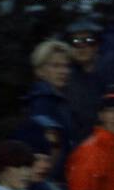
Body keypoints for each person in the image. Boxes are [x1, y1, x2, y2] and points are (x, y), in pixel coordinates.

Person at [24, 39, 77, 167]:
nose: (63, 71)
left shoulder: (61, 99)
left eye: (66, 66)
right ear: (40, 71)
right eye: (56, 66)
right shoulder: (43, 101)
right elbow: (50, 147)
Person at [64, 19, 103, 141]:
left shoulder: (109, 75)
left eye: (89, 41)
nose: (82, 46)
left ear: (97, 46)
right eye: (76, 42)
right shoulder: (64, 77)